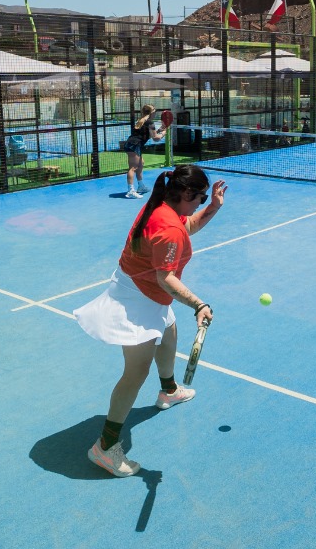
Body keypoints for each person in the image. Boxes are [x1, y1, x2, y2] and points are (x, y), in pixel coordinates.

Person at [73, 164, 227, 477]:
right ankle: (104, 446)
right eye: (199, 196)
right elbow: (165, 277)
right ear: (185, 193)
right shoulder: (167, 226)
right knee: (135, 372)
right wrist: (199, 304)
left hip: (143, 290)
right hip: (138, 299)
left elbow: (189, 227)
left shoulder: (164, 206)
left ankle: (168, 391)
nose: (200, 201)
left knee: (169, 334)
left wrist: (212, 208)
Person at [123, 105, 164, 199]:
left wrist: (160, 130)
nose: (155, 113)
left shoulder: (141, 120)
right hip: (134, 145)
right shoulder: (149, 122)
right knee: (133, 167)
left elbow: (148, 135)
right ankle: (130, 191)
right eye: (155, 111)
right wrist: (163, 133)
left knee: (141, 163)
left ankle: (141, 186)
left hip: (132, 144)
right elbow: (156, 138)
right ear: (152, 113)